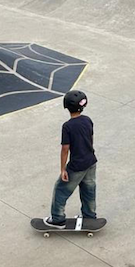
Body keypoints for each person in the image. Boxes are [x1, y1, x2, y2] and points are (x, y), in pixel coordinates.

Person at [45, 90, 98, 228]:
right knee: (88, 189)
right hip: (91, 161)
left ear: (67, 107)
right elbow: (90, 138)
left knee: (61, 190)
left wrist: (63, 169)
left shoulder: (67, 126)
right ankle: (89, 215)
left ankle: (57, 218)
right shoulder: (87, 120)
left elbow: (65, 149)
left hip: (77, 165)